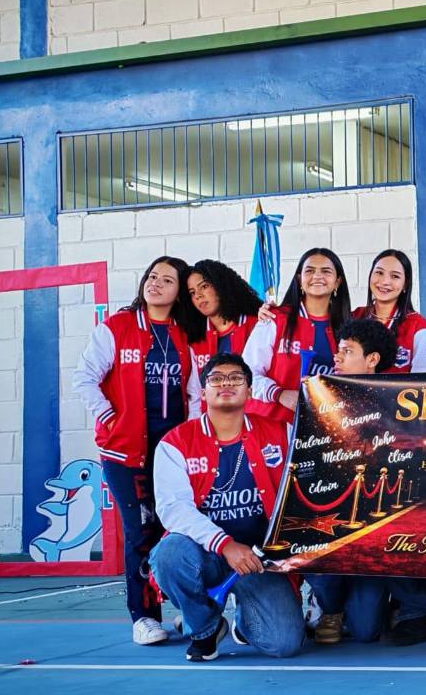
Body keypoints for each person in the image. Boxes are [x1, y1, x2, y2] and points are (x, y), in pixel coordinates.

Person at [73, 256, 201, 645]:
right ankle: (144, 617)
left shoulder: (185, 335)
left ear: (179, 292)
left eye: (167, 280)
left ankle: (187, 611)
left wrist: (195, 436)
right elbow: (84, 379)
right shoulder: (118, 327)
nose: (156, 284)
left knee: (178, 531)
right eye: (152, 277)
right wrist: (111, 418)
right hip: (125, 454)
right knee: (141, 532)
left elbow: (194, 394)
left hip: (172, 455)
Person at [150, 353, 305, 662]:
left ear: (249, 391)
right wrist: (225, 545)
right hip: (204, 555)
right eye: (216, 379)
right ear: (203, 392)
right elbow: (174, 510)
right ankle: (206, 628)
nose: (226, 384)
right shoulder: (175, 443)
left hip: (258, 560)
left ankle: (245, 622)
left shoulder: (281, 433)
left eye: (236, 378)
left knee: (284, 645)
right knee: (169, 555)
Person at [306, 318, 426, 647]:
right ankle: (329, 608)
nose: (337, 357)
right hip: (334, 512)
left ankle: (413, 609)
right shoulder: (318, 397)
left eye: (348, 351)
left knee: (366, 631)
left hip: (378, 513)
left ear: (372, 360)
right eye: (338, 350)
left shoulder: (398, 401)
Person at [242, 248, 350, 423]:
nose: (317, 276)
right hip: (269, 427)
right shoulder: (274, 318)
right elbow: (246, 373)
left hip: (322, 431)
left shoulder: (348, 326)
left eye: (326, 271)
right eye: (309, 270)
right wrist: (279, 394)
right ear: (299, 279)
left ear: (337, 282)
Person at [352, 250, 426, 373]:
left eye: (395, 276)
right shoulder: (355, 317)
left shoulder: (418, 326)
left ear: (405, 285)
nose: (385, 281)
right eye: (379, 273)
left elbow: (424, 383)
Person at [186, 259, 263, 372]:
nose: (198, 295)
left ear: (220, 285)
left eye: (204, 286)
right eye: (192, 292)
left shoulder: (257, 325)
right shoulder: (195, 339)